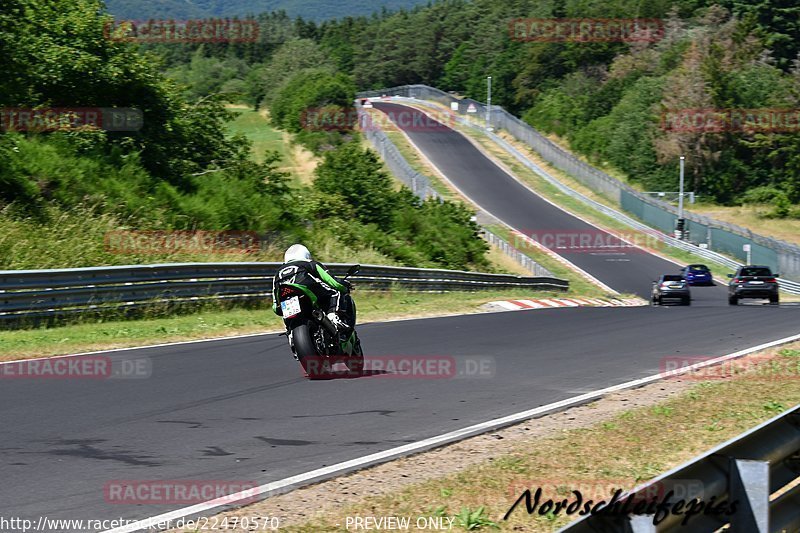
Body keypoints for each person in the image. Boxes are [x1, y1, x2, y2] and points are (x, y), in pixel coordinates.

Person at [272, 244, 356, 335]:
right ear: (306, 255)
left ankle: (291, 333)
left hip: (285, 293)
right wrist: (344, 286)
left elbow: (275, 304)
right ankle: (333, 316)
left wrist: (278, 308)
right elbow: (332, 282)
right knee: (335, 292)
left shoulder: (277, 273)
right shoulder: (310, 264)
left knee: (283, 312)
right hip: (306, 287)